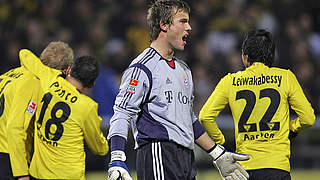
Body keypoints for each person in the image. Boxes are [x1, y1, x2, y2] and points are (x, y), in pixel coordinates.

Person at [106, 1, 249, 180]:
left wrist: (217, 154)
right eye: (183, 21)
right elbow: (122, 112)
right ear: (164, 25)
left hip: (186, 158)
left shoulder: (184, 70)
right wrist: (117, 158)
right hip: (158, 152)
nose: (189, 27)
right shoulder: (142, 67)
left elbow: (188, 118)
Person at [199, 29, 316, 180]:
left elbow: (205, 116)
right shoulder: (285, 77)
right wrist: (291, 129)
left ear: (245, 57)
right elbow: (308, 118)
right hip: (277, 167)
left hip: (243, 169)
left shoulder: (230, 81)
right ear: (271, 56)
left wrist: (222, 142)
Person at [19, 49, 109, 180]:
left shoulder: (49, 79)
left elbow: (24, 54)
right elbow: (99, 148)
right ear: (91, 85)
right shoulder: (87, 106)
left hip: (38, 174)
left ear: (69, 70)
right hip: (69, 175)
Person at [0, 41, 74, 180]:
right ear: (67, 71)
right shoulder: (34, 82)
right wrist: (21, 173)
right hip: (8, 156)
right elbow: (15, 128)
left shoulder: (12, 73)